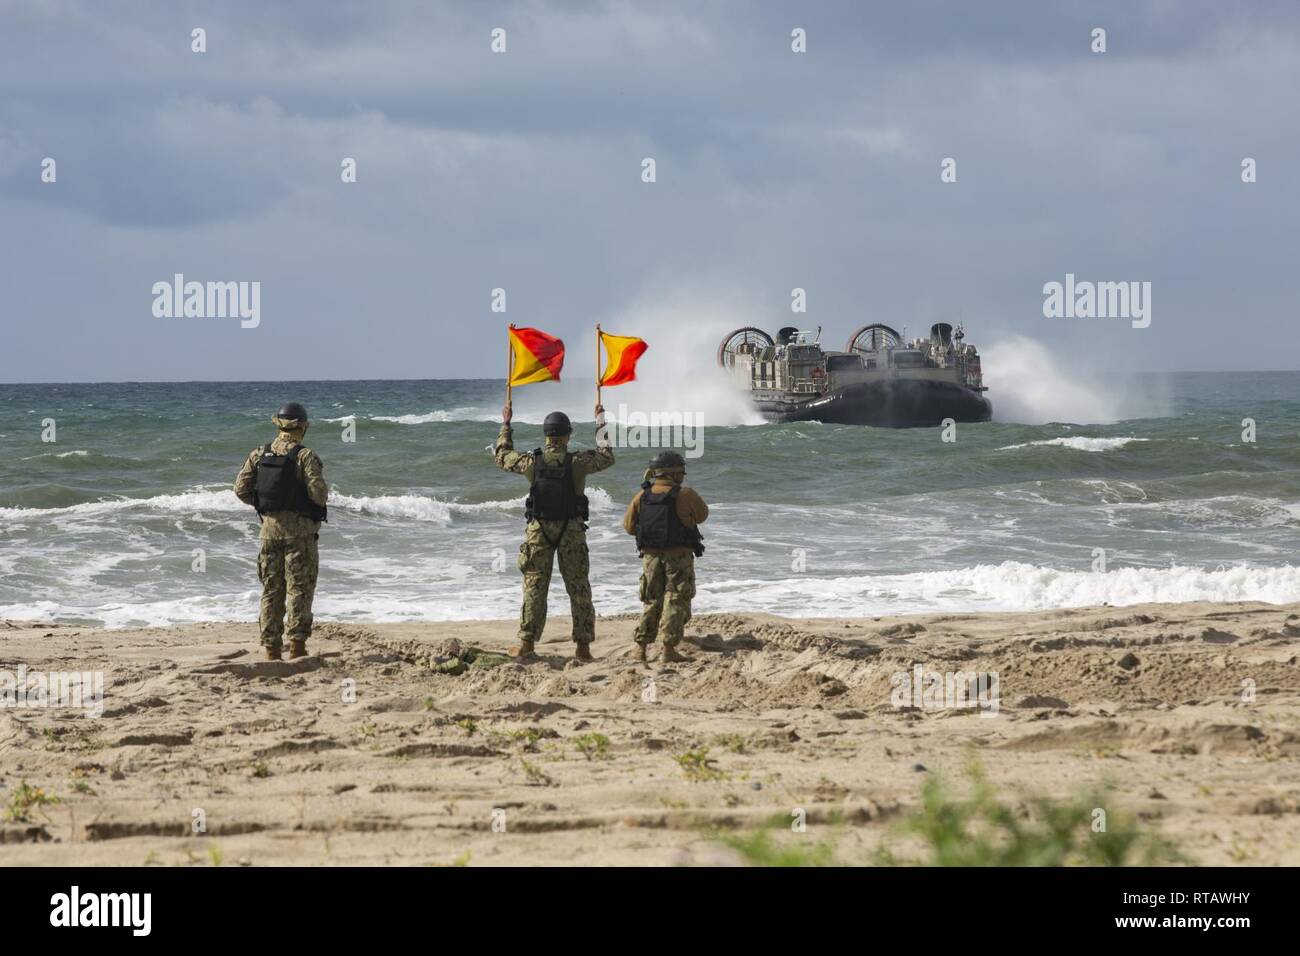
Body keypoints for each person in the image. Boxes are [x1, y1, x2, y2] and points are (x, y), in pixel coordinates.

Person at [494, 403, 614, 660]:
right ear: (568, 435)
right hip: (571, 530)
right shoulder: (578, 462)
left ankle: (527, 644)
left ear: (546, 436)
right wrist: (600, 422)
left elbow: (502, 457)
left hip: (539, 531)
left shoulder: (531, 462)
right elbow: (606, 456)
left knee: (535, 586)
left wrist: (506, 424)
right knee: (579, 588)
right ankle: (583, 648)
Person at [233, 402, 328, 661]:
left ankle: (271, 649)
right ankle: (297, 646)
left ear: (278, 424)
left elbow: (240, 489)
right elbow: (319, 495)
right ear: (303, 426)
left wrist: (267, 506)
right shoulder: (305, 455)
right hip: (300, 534)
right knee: (300, 588)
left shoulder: (259, 453)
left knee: (272, 590)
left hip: (268, 533)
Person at [622, 450, 707, 664]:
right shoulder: (685, 495)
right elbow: (702, 515)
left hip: (650, 558)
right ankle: (668, 650)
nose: (683, 476)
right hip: (678, 557)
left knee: (651, 601)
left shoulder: (641, 496)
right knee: (676, 600)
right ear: (672, 474)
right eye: (681, 472)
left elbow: (629, 527)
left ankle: (640, 648)